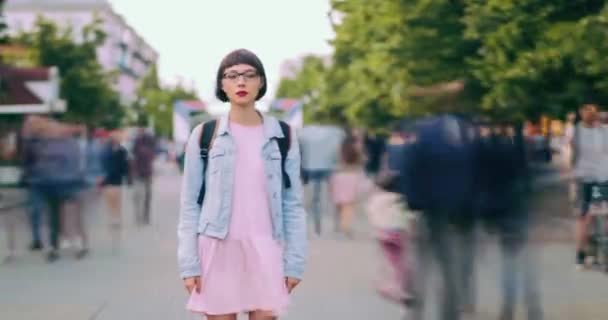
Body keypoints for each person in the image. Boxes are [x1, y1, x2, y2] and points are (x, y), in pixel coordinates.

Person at [177, 49, 307, 320]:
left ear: (261, 82)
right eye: (232, 76)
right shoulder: (204, 135)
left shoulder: (284, 136)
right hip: (218, 249)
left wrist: (294, 263)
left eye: (249, 75)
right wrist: (189, 264)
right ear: (222, 85)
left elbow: (292, 203)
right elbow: (190, 204)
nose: (241, 82)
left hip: (267, 249)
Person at [571, 103, 606, 269]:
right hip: (600, 179)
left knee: (584, 218)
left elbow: (570, 156)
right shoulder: (603, 131)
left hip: (584, 179)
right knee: (601, 214)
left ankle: (581, 256)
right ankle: (601, 252)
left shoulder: (574, 131)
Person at [298, 124, 344, 236]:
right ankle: (336, 227)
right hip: (329, 168)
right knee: (331, 198)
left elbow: (300, 152)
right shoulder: (336, 133)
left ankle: (317, 229)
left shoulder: (303, 133)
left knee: (314, 200)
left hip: (310, 169)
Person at [329, 134, 369, 238]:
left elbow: (333, 162)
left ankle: (339, 226)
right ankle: (345, 228)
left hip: (338, 176)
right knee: (348, 205)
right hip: (352, 177)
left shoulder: (339, 150)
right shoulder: (358, 150)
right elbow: (363, 162)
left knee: (339, 204)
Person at [99, 129, 131, 251]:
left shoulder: (122, 150)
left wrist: (126, 177)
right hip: (108, 179)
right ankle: (112, 217)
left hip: (117, 180)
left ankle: (117, 217)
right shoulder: (106, 149)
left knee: (117, 199)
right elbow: (103, 163)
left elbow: (125, 165)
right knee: (109, 199)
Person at [132, 127, 156, 225]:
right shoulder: (137, 142)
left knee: (145, 196)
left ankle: (144, 216)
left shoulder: (147, 142)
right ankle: (141, 216)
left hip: (145, 173)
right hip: (140, 173)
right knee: (140, 196)